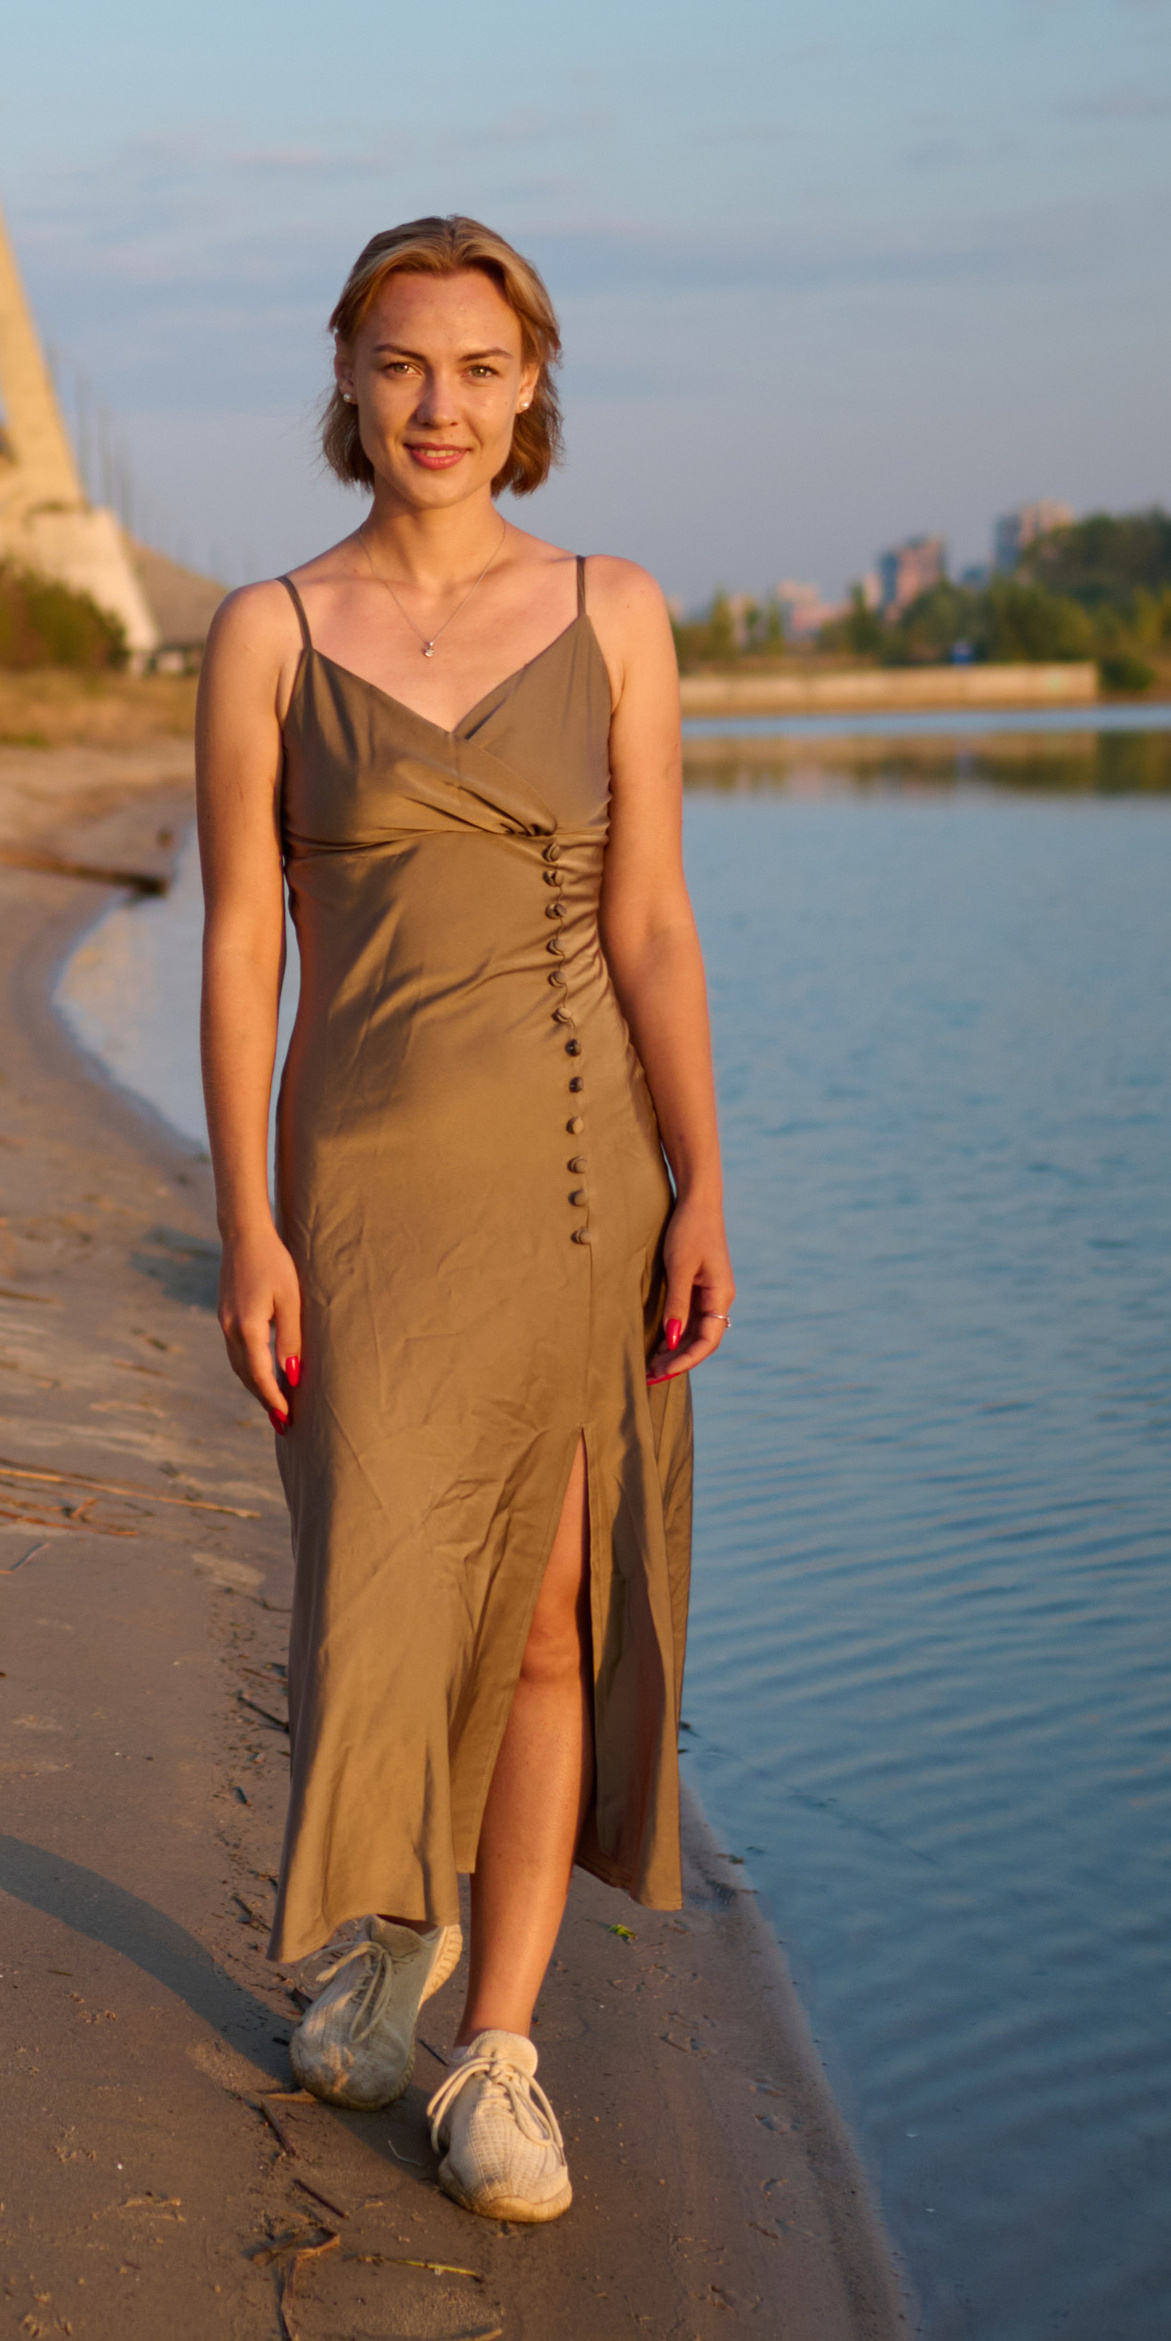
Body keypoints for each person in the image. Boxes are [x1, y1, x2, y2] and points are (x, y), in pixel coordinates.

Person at [194, 214, 732, 2224]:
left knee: (547, 1614)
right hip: (359, 1184)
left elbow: (651, 921)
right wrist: (244, 1224)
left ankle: (495, 2050)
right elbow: (242, 946)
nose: (441, 403)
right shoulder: (268, 632)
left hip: (580, 1176)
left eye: (480, 368)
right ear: (347, 380)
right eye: (404, 363)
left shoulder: (613, 611)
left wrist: (705, 1178)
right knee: (381, 1591)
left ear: (531, 393)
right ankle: (383, 1938)